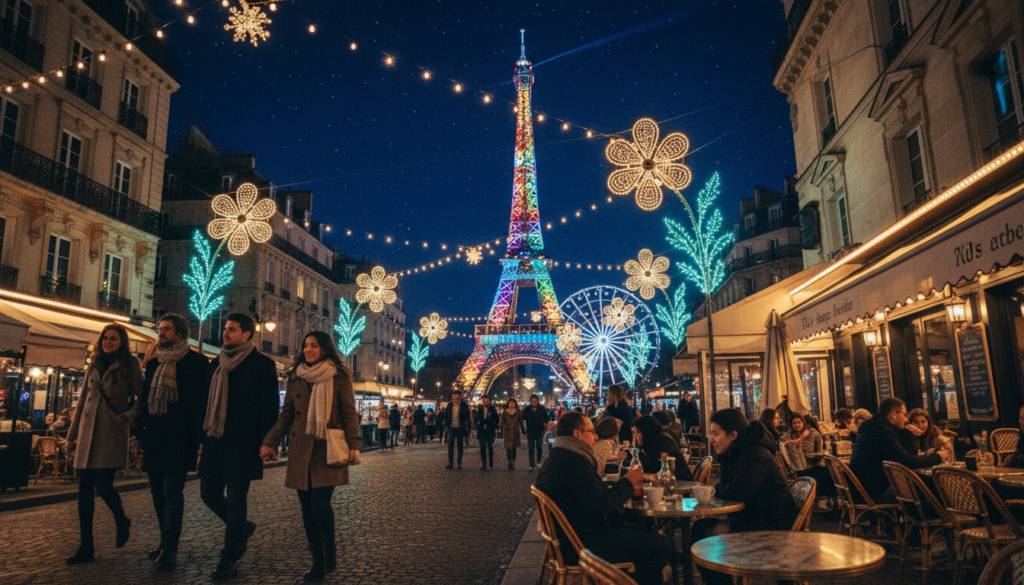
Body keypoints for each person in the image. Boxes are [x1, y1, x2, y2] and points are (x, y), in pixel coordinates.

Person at [260, 331, 362, 582]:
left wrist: (355, 445)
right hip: (300, 449)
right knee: (307, 509)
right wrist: (269, 442)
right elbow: (286, 416)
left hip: (327, 448)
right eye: (305, 345)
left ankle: (329, 550)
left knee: (319, 504)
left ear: (325, 349)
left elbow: (349, 412)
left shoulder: (339, 375)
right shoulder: (295, 376)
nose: (308, 349)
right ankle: (318, 559)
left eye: (314, 346)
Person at [535, 412, 671, 585]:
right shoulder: (572, 463)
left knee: (646, 532)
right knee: (660, 547)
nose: (596, 435)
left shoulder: (560, 457)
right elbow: (603, 504)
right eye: (591, 431)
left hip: (572, 538)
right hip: (583, 545)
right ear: (577, 434)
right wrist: (628, 482)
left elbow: (594, 498)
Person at [198, 313, 280, 580]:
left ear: (247, 334)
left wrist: (267, 442)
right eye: (225, 328)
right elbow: (204, 402)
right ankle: (242, 528)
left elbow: (269, 408)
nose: (225, 333)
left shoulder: (262, 365)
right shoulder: (215, 364)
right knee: (208, 493)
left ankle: (229, 556)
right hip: (215, 440)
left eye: (231, 329)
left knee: (235, 500)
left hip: (244, 443)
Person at [64, 323, 143, 564]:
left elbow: (143, 398)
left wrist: (128, 418)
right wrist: (71, 436)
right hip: (87, 433)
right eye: (105, 338)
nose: (107, 342)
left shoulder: (130, 365)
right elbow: (82, 404)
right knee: (84, 489)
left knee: (104, 486)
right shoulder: (94, 364)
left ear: (122, 342)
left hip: (111, 430)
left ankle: (121, 519)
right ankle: (86, 546)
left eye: (113, 339)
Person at [693, 408, 797, 585]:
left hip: (771, 526)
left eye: (715, 434)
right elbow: (733, 489)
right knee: (701, 528)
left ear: (733, 435)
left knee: (703, 535)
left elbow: (740, 492)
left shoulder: (753, 453)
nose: (711, 440)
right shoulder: (736, 452)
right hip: (754, 516)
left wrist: (718, 490)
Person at [137, 314, 209, 569]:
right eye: (160, 329)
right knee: (157, 493)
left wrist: (197, 435)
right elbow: (146, 398)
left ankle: (170, 549)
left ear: (179, 334)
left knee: (172, 492)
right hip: (155, 436)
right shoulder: (155, 363)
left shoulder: (199, 363)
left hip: (180, 438)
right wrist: (141, 431)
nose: (161, 333)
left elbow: (202, 403)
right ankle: (164, 541)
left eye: (166, 329)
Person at [849, 398, 946, 503]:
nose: (906, 419)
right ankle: (935, 517)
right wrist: (938, 457)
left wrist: (911, 436)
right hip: (874, 494)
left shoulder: (876, 427)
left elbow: (907, 455)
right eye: (904, 415)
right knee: (934, 486)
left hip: (865, 489)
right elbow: (907, 461)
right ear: (894, 414)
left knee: (926, 485)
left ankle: (919, 517)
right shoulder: (881, 431)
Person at [632, 416, 694, 481]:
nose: (636, 436)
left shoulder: (661, 443)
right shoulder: (657, 440)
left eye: (637, 432)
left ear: (646, 431)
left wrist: (635, 451)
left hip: (681, 485)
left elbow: (649, 468)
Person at [522, 394, 550, 471]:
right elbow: (522, 417)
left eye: (535, 401)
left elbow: (547, 418)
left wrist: (545, 423)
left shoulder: (542, 408)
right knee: (530, 447)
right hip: (530, 431)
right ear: (530, 401)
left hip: (539, 430)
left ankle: (538, 461)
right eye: (532, 401)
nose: (534, 402)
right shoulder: (527, 409)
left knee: (539, 446)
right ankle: (531, 464)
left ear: (538, 401)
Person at [443, 390, 471, 469]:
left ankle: (459, 463)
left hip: (460, 428)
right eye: (453, 396)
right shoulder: (449, 405)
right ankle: (451, 463)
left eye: (455, 396)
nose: (454, 398)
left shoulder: (464, 406)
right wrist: (446, 426)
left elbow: (468, 418)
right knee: (450, 446)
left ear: (459, 397)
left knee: (460, 446)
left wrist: (468, 429)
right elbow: (446, 416)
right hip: (451, 428)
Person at [475, 396, 499, 470]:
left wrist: (489, 423)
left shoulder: (493, 410)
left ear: (489, 401)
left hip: (490, 431)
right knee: (482, 447)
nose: (485, 402)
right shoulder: (479, 409)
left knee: (490, 447)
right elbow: (476, 419)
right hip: (482, 431)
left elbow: (496, 420)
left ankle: (490, 460)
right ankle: (484, 464)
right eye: (483, 400)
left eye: (486, 400)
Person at [502, 398, 525, 470]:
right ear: (508, 403)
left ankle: (513, 461)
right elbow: (502, 420)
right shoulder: (505, 412)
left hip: (515, 431)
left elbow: (521, 421)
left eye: (513, 402)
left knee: (514, 447)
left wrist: (523, 429)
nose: (512, 404)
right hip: (507, 431)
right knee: (508, 447)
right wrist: (504, 425)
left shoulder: (518, 411)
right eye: (510, 402)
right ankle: (510, 461)